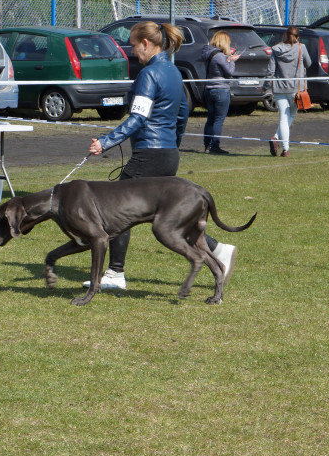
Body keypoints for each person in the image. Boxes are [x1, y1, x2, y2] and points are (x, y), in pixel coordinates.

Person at [87, 21, 238, 290]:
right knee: (169, 214)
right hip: (168, 153)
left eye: (134, 46)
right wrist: (173, 145)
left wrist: (105, 143)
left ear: (146, 43)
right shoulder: (175, 72)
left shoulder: (149, 74)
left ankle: (115, 274)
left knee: (115, 210)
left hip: (149, 154)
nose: (133, 52)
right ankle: (219, 250)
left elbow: (137, 119)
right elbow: (182, 114)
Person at [265, 26, 311, 158]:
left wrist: (265, 86)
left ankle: (281, 144)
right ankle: (281, 145)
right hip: (296, 89)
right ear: (298, 37)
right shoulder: (301, 48)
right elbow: (309, 63)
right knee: (290, 116)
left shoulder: (276, 49)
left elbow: (270, 71)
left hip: (279, 89)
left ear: (285, 35)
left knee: (283, 118)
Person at [200, 31, 240, 155]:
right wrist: (232, 60)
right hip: (221, 90)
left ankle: (207, 145)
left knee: (210, 118)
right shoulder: (219, 56)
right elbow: (229, 73)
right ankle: (215, 146)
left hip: (209, 89)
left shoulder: (208, 54)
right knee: (218, 120)